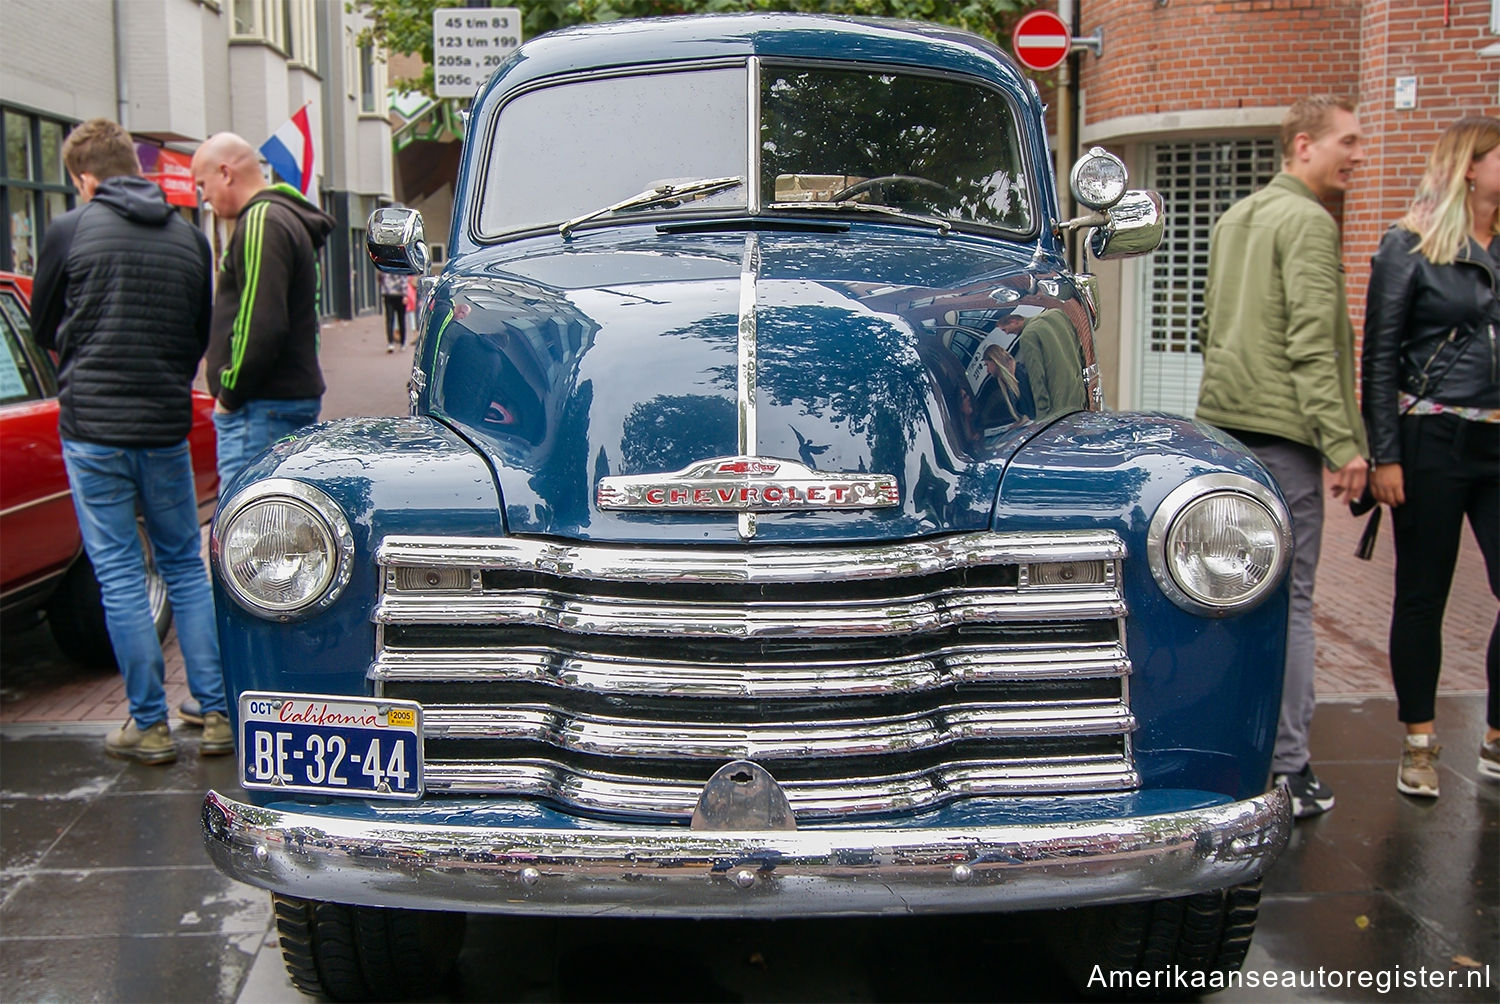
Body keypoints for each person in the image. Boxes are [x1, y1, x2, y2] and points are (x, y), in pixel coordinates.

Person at [29, 118, 232, 764]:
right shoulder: (186, 236)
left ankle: (147, 725)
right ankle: (217, 711)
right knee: (184, 564)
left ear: (86, 179)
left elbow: (41, 325)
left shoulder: (70, 229)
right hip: (164, 422)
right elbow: (196, 332)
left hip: (93, 429)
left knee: (119, 570)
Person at [1195, 95, 1370, 819]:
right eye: (1349, 142)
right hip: (1287, 432)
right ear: (1304, 145)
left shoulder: (1237, 216)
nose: (1358, 156)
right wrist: (1345, 444)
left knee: (1236, 597)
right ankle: (1290, 771)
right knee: (1293, 601)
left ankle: (1229, 749)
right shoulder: (1305, 220)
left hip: (1229, 425)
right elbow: (1313, 343)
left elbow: (1210, 323)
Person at [1362, 116, 1500, 798]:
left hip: (1498, 440)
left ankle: (1497, 733)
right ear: (1470, 166)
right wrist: (1384, 455)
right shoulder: (1409, 243)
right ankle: (1419, 740)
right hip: (1432, 439)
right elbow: (1379, 354)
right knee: (1424, 594)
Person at [190, 132, 334, 490]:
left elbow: (261, 322)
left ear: (225, 173)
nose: (204, 197)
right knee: (280, 525)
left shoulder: (261, 221)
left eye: (203, 184)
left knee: (249, 532)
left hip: (259, 408)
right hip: (281, 400)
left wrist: (229, 393)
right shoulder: (285, 218)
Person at [380, 269, 407, 352]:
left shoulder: (385, 266)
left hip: (394, 295)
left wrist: (405, 295)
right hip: (392, 295)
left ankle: (398, 343)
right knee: (394, 319)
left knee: (395, 320)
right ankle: (393, 343)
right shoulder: (398, 265)